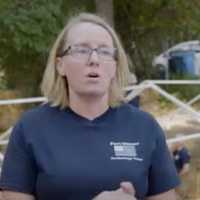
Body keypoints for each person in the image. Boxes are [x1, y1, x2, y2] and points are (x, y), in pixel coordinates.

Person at [0, 13, 180, 200]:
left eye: (104, 51)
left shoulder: (145, 127)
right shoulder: (30, 128)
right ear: (60, 65)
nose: (94, 59)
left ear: (114, 67)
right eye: (81, 50)